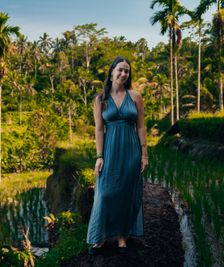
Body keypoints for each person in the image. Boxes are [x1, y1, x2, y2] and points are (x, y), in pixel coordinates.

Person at [86, 56, 149, 255]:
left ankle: (123, 236)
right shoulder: (100, 99)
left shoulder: (135, 96)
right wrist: (99, 156)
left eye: (127, 71)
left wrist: (144, 154)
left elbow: (140, 126)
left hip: (131, 150)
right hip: (110, 149)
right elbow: (98, 129)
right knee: (104, 194)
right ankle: (100, 236)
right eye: (120, 69)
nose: (123, 74)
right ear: (112, 71)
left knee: (126, 193)